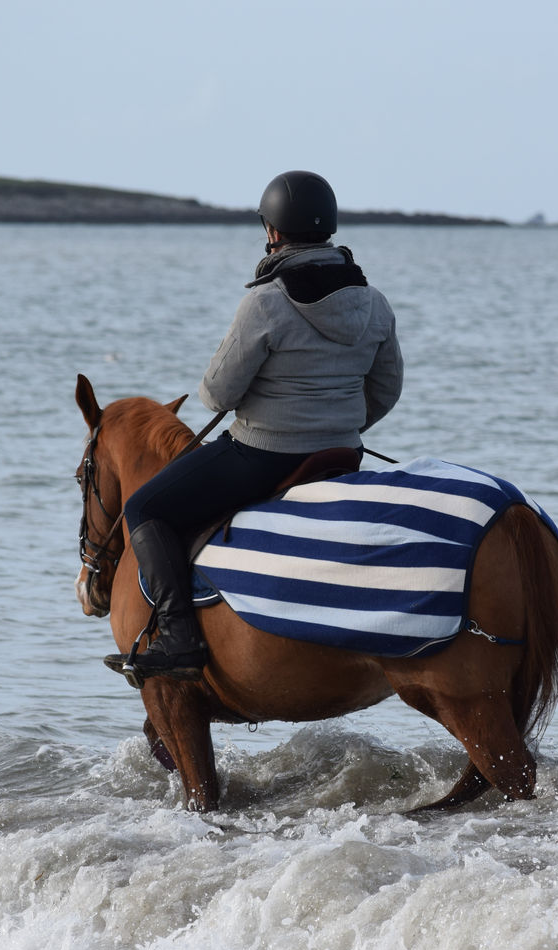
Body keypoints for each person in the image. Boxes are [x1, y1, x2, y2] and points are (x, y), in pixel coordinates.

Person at [107, 170, 403, 682]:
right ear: (328, 229)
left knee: (144, 506)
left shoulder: (265, 301)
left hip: (262, 458)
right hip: (341, 454)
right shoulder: (374, 301)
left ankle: (177, 636)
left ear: (272, 232)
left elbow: (217, 393)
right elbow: (386, 389)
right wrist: (338, 424)